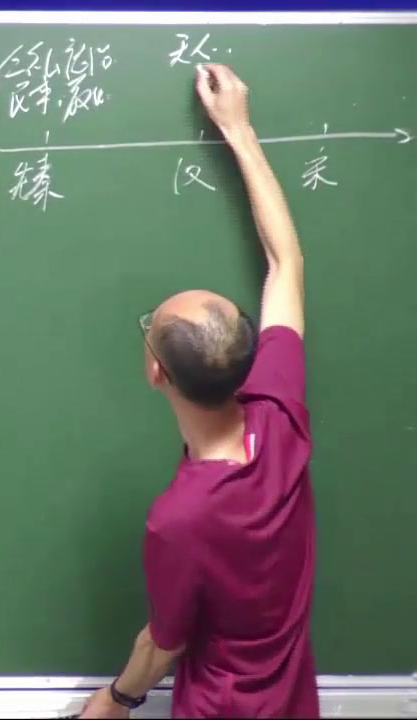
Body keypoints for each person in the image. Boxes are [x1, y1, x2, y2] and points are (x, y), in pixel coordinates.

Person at [79, 64, 318, 719]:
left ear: (156, 372)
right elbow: (286, 263)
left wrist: (114, 702)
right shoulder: (279, 416)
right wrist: (240, 131)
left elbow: (164, 643)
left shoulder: (181, 517)